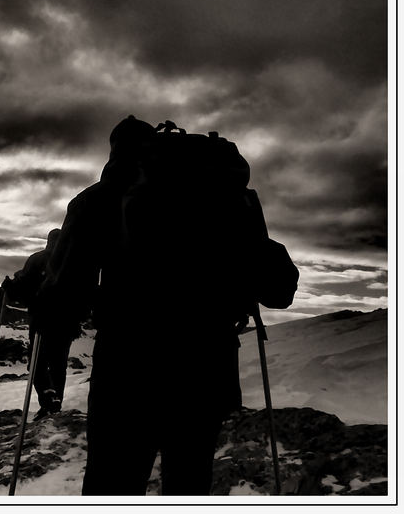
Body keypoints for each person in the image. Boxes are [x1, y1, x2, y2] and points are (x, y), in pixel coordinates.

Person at [34, 115, 296, 496]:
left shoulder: (100, 197)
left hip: (126, 368)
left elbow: (64, 295)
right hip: (207, 367)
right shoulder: (224, 191)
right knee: (189, 482)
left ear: (115, 151)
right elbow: (278, 290)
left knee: (112, 482)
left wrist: (48, 320)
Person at [3, 228, 73, 419]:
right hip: (67, 322)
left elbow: (22, 288)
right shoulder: (73, 262)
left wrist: (10, 287)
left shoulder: (39, 259)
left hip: (42, 318)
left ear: (48, 241)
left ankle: (47, 397)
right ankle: (54, 402)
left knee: (37, 363)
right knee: (58, 363)